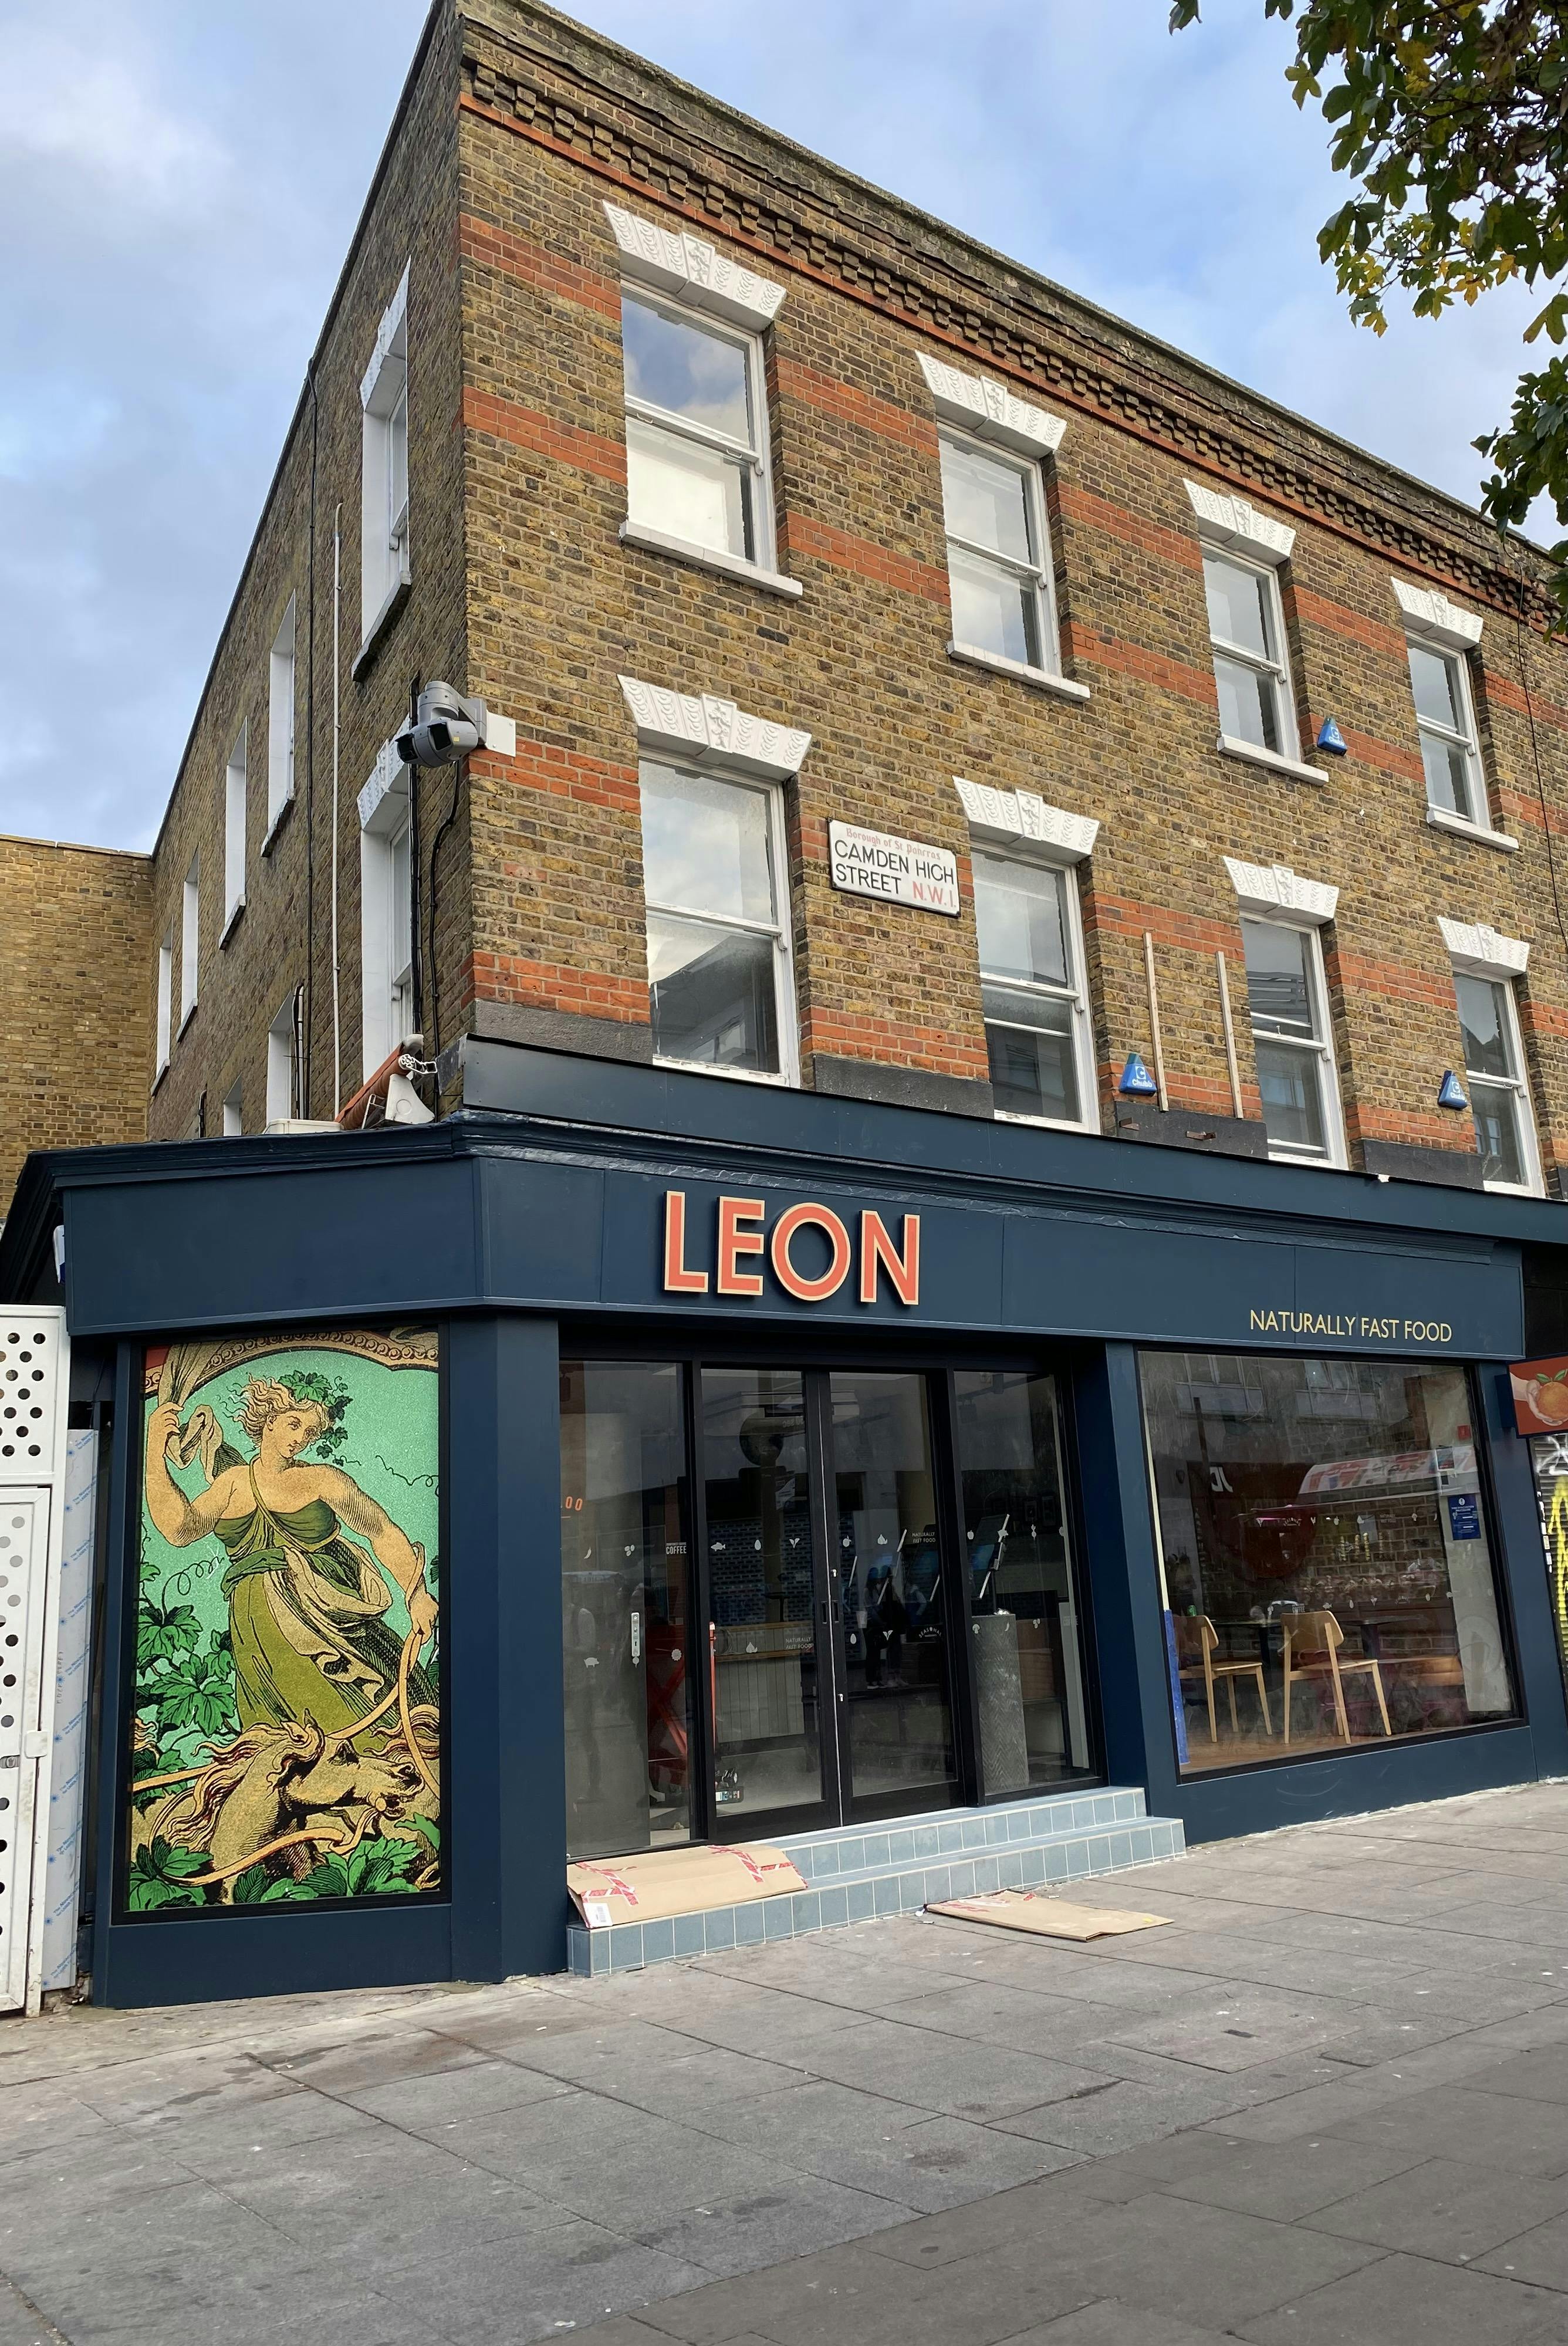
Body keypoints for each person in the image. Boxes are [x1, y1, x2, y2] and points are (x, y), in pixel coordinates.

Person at [144, 1378, 437, 1742]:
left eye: (310, 1432)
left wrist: (417, 1594)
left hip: (332, 1609)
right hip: (260, 1621)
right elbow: (179, 1530)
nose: (301, 1438)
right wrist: (154, 1452)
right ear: (269, 1420)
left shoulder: (321, 1479)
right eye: (294, 1424)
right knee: (286, 1733)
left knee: (382, 1709)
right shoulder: (233, 1484)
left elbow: (381, 1531)